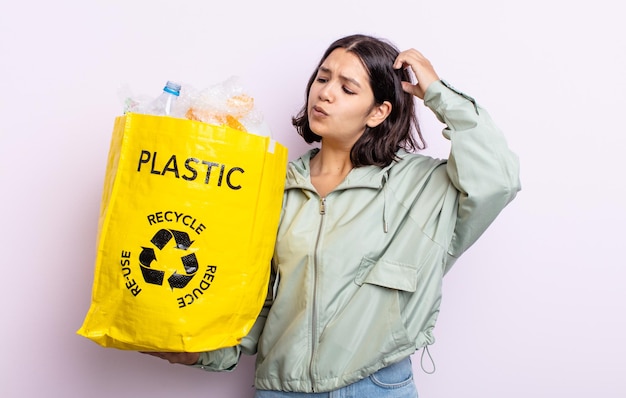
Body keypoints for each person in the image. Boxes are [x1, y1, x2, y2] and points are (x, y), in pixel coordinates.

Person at [143, 33, 521, 397]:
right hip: (281, 390)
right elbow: (258, 301)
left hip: (374, 388)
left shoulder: (422, 187)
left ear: (378, 112)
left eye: (347, 88)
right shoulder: (275, 186)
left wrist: (439, 93)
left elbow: (497, 180)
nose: (325, 92)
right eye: (322, 78)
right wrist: (204, 354)